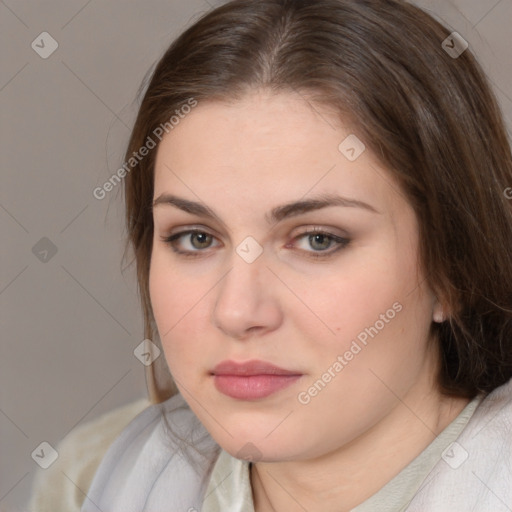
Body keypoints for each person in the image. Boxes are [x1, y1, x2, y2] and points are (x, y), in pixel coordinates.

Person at [78, 0, 512, 510]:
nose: (237, 311)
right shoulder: (103, 473)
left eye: (317, 240)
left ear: (451, 270)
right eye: (196, 238)